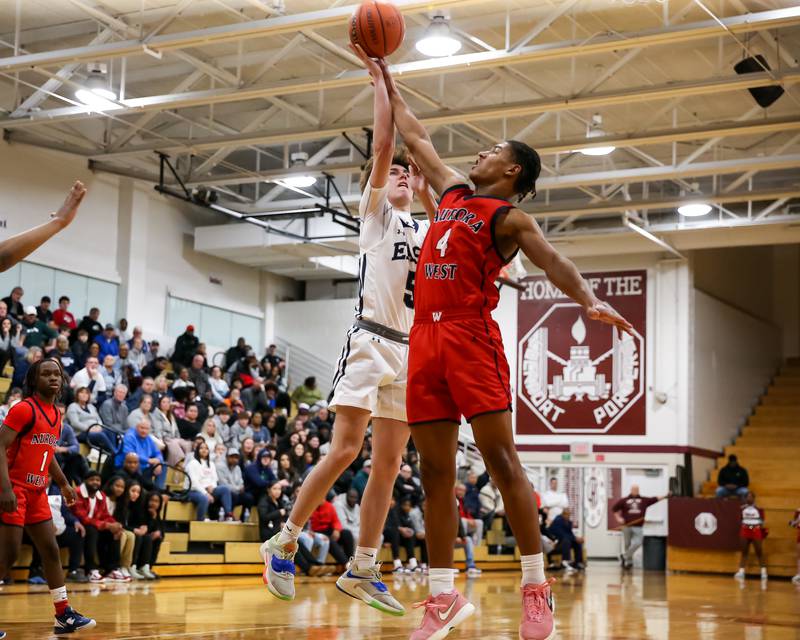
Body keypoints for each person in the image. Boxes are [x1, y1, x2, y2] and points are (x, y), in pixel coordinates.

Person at [367, 50, 635, 640]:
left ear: (513, 172)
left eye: (495, 151)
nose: (482, 153)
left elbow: (556, 261)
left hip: (470, 336)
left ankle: (535, 588)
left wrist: (588, 299)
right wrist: (385, 79)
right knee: (434, 470)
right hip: (424, 339)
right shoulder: (453, 193)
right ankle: (443, 599)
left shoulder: (507, 219)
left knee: (502, 462)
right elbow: (415, 136)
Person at [0, 357, 95, 634]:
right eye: (46, 374)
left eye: (58, 374)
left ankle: (63, 614)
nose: (54, 378)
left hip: (38, 491)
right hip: (14, 488)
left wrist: (64, 483)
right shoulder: (23, 409)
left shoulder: (55, 414)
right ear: (34, 380)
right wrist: (5, 488)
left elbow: (47, 452)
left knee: (51, 551)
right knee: (8, 554)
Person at [72, 469, 128, 583]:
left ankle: (112, 569)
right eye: (92, 479)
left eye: (98, 480)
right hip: (78, 526)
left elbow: (105, 514)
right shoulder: (77, 493)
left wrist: (115, 525)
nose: (95, 482)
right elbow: (83, 518)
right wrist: (107, 525)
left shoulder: (101, 495)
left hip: (96, 526)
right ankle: (91, 570)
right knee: (91, 530)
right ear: (85, 481)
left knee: (115, 532)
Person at [612, 485, 668, 569]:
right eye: (634, 489)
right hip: (626, 526)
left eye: (636, 489)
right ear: (631, 490)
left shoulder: (644, 500)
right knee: (627, 544)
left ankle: (624, 556)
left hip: (638, 527)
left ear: (638, 490)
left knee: (638, 542)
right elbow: (614, 509)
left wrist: (666, 496)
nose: (635, 490)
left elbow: (655, 499)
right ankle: (628, 562)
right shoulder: (624, 500)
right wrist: (618, 518)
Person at [185, 440, 233, 521]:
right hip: (192, 491)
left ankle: (228, 515)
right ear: (197, 450)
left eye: (206, 448)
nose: (204, 450)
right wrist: (206, 492)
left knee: (225, 489)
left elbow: (214, 479)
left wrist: (212, 487)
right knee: (204, 498)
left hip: (208, 489)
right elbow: (194, 483)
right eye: (201, 448)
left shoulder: (211, 464)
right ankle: (201, 519)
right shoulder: (193, 463)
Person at [734, 491, 768, 581]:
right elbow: (740, 519)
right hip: (745, 530)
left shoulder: (759, 509)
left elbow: (763, 521)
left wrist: (759, 528)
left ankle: (763, 571)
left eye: (751, 496)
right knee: (744, 551)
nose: (749, 498)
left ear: (754, 498)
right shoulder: (742, 509)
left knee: (759, 550)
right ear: (745, 498)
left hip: (755, 530)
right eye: (747, 497)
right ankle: (741, 571)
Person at [217, 448, 253, 520]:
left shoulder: (237, 468)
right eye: (232, 457)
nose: (234, 459)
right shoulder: (220, 466)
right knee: (233, 495)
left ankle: (243, 518)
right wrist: (238, 488)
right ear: (227, 457)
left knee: (249, 497)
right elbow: (223, 484)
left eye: (236, 457)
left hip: (236, 492)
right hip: (224, 492)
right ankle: (228, 515)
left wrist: (241, 486)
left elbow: (241, 482)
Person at [790, 508, 800, 585]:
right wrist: (793, 523)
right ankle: (799, 574)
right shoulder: (798, 511)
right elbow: (795, 523)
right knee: (799, 555)